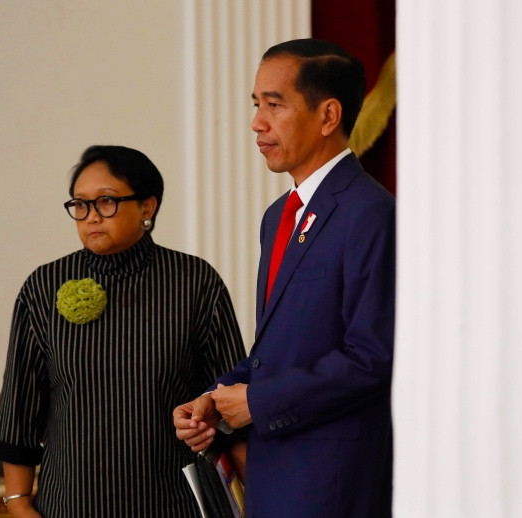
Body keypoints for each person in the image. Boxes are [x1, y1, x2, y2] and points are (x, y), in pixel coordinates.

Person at [174, 39, 396, 517]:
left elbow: (372, 358)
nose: (257, 122)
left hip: (335, 477)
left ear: (328, 115)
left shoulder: (371, 213)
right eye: (257, 105)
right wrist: (216, 398)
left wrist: (259, 401)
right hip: (274, 473)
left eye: (274, 105)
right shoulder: (279, 216)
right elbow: (278, 350)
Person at [0, 145, 245, 517]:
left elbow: (232, 400)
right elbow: (19, 407)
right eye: (80, 205)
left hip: (174, 503)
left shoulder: (194, 282)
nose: (91, 216)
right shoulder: (43, 287)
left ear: (147, 207)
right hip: (70, 504)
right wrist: (18, 504)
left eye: (106, 201)